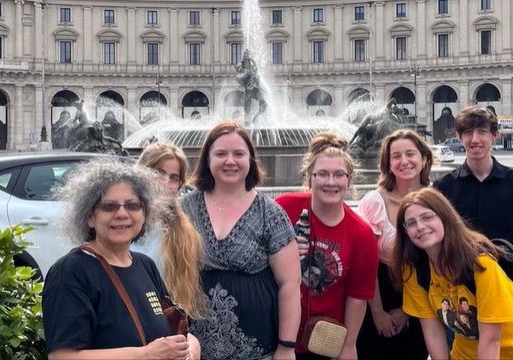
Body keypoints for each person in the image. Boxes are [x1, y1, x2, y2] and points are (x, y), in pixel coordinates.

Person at [42, 159, 200, 359]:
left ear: (144, 214)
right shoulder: (71, 271)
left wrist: (190, 343)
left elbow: (169, 327)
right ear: (90, 217)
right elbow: (62, 356)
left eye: (133, 205)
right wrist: (145, 354)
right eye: (109, 207)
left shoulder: (145, 265)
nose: (122, 214)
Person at [390, 187, 513, 360]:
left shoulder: (480, 265)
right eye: (411, 223)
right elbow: (433, 332)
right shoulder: (415, 270)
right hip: (466, 354)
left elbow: (492, 339)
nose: (420, 227)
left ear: (444, 217)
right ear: (405, 231)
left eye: (427, 217)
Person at [181, 121, 301, 360]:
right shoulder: (184, 209)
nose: (230, 161)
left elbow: (290, 283)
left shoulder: (270, 213)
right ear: (207, 160)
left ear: (250, 161)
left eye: (239, 154)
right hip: (193, 349)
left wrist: (286, 347)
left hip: (258, 349)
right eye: (221, 154)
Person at [275, 132, 379, 360]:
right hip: (274, 332)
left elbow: (357, 296)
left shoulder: (361, 234)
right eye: (322, 174)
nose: (331, 182)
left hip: (322, 341)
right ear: (309, 178)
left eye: (339, 175)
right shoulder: (282, 208)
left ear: (349, 180)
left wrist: (349, 345)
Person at [355, 130, 430, 360]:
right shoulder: (373, 202)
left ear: (424, 158)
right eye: (396, 156)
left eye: (410, 154)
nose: (404, 161)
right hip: (376, 295)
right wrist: (378, 313)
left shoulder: (436, 199)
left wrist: (407, 312)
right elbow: (363, 261)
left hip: (424, 298)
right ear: (387, 163)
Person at [433, 105, 513, 250]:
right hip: (460, 270)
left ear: (495, 135)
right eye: (468, 132)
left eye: (482, 132)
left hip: (504, 269)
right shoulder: (443, 187)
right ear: (459, 137)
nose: (475, 139)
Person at [131, 142, 205, 320]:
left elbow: (181, 299)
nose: (165, 183)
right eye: (158, 173)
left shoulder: (184, 234)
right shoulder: (120, 221)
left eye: (174, 178)